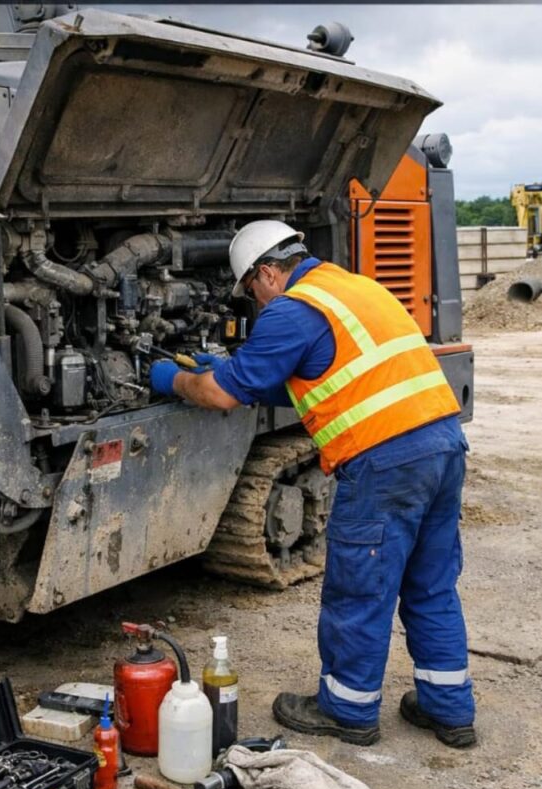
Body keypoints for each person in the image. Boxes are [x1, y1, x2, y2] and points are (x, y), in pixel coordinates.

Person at [150, 220, 476, 748]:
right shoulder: (354, 287)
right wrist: (240, 371)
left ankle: (348, 709)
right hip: (442, 446)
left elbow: (219, 397)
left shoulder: (291, 308)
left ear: (268, 273)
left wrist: (179, 381)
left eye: (251, 290)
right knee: (431, 581)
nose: (254, 302)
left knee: (360, 587)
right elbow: (330, 373)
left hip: (384, 459)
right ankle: (449, 709)